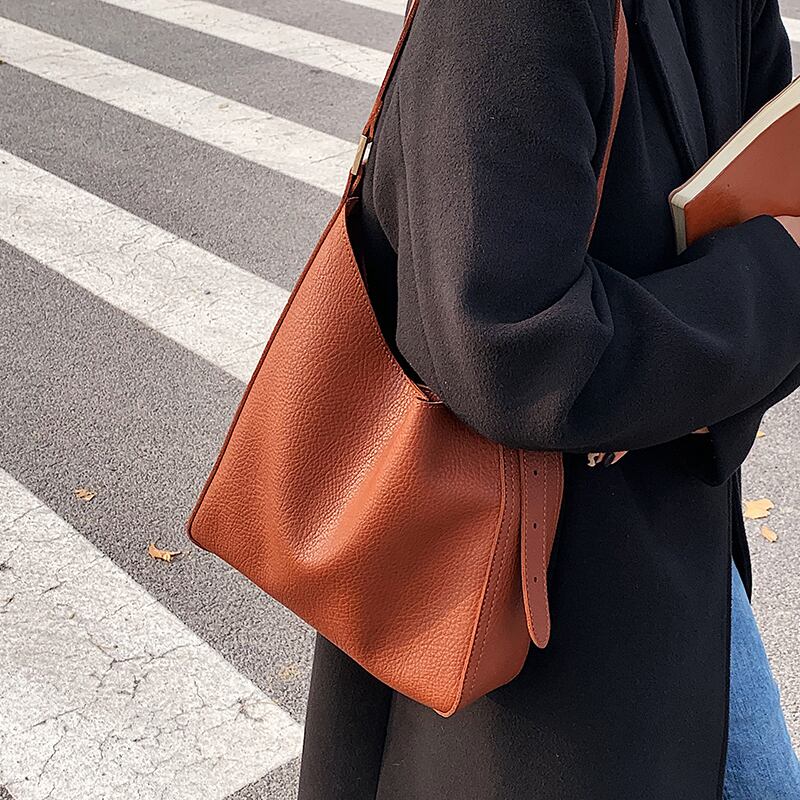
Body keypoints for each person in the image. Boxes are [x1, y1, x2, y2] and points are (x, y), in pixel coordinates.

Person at [297, 0, 800, 797]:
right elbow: (515, 347)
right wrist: (772, 291)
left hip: (676, 572)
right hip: (514, 613)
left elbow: (775, 182)